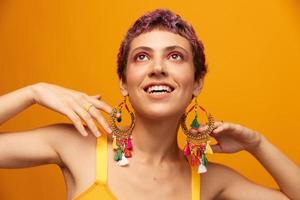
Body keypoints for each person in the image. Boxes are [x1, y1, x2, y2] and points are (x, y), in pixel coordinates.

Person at [0, 9, 299, 200]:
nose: (157, 68)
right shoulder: (73, 146)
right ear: (123, 82)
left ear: (197, 83)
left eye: (175, 56)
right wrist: (33, 93)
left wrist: (258, 144)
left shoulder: (210, 181)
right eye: (141, 56)